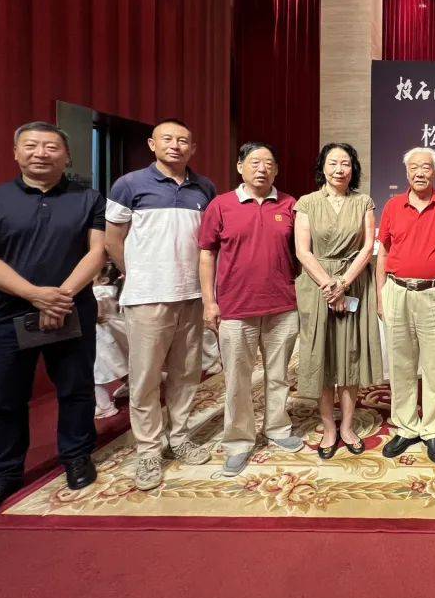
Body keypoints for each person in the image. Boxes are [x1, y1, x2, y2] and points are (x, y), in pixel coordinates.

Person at [0, 122, 106, 522]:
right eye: (31, 146)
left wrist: (59, 298)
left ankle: (76, 456)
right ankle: (3, 475)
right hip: (6, 316)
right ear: (16, 153)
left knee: (76, 390)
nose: (41, 153)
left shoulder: (89, 199)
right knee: (6, 400)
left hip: (71, 308)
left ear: (67, 156)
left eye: (51, 147)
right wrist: (35, 294)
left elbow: (97, 253)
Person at [105, 118, 217, 490]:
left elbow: (208, 244)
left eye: (183, 140)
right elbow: (112, 240)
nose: (175, 145)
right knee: (146, 377)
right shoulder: (129, 185)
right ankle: (149, 450)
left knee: (187, 373)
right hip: (147, 297)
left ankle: (180, 436)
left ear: (193, 148)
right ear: (152, 144)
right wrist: (135, 274)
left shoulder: (205, 188)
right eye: (167, 139)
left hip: (192, 295)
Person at [198, 143, 304, 477]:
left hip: (282, 306)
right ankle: (238, 441)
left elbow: (301, 253)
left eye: (269, 163)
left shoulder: (289, 205)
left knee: (279, 375)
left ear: (276, 170)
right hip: (235, 308)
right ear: (240, 166)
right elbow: (207, 254)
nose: (262, 168)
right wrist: (209, 301)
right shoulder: (221, 205)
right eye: (255, 162)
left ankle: (277, 429)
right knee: (238, 380)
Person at [294, 143, 383, 459]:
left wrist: (343, 283)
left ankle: (347, 425)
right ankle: (328, 427)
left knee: (350, 355)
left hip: (354, 281)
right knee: (323, 354)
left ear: (353, 168)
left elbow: (367, 247)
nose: (339, 169)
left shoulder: (363, 202)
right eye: (332, 163)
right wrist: (329, 285)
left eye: (345, 163)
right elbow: (303, 251)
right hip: (317, 284)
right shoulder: (307, 202)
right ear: (323, 167)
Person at [376, 147, 435, 463]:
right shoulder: (392, 206)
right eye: (414, 167)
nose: (420, 173)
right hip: (397, 290)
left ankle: (433, 430)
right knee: (401, 363)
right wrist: (380, 295)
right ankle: (406, 427)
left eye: (426, 167)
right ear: (407, 172)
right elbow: (383, 253)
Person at [93, 261, 128, 419]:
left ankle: (104, 406)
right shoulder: (112, 290)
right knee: (122, 364)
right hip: (112, 335)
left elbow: (99, 314)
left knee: (96, 373)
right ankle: (132, 386)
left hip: (101, 340)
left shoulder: (98, 292)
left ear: (104, 280)